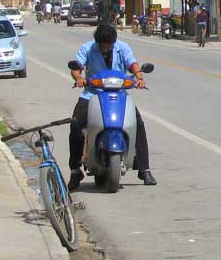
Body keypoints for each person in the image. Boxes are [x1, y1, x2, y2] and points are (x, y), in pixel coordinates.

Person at [67, 23, 156, 189]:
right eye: (102, 44)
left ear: (114, 42)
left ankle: (144, 168)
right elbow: (76, 67)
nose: (106, 47)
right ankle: (75, 170)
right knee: (76, 124)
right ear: (97, 42)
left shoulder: (122, 47)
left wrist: (139, 77)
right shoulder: (88, 48)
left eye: (109, 44)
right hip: (92, 93)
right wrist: (79, 78)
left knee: (138, 123)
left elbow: (133, 64)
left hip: (119, 93)